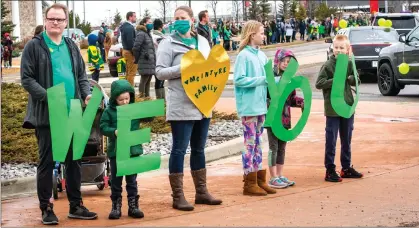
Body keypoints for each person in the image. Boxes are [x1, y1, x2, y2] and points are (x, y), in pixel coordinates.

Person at [20, 3, 97, 225]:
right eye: (52, 19)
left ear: (65, 23)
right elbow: (27, 79)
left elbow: (81, 75)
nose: (55, 22)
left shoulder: (71, 45)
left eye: (60, 19)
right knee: (47, 162)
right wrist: (49, 97)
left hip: (73, 111)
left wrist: (86, 94)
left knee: (74, 160)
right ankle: (46, 207)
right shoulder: (34, 47)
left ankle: (76, 205)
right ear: (45, 20)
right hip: (47, 113)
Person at [156, 5, 222, 212]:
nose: (178, 21)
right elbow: (160, 72)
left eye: (182, 17)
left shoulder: (202, 41)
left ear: (192, 20)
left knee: (199, 149)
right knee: (179, 149)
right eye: (175, 18)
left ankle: (201, 192)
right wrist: (183, 68)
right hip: (181, 104)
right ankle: (178, 196)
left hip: (203, 101)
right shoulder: (168, 43)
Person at [233, 20, 277, 196]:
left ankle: (259, 179)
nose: (264, 35)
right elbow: (239, 79)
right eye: (261, 32)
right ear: (252, 35)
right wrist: (261, 80)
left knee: (259, 144)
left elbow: (269, 78)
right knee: (250, 144)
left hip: (260, 106)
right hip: (249, 107)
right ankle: (248, 181)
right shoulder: (243, 56)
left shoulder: (261, 55)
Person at [315, 34, 363, 182]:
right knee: (331, 139)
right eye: (336, 47)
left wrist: (350, 78)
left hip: (347, 106)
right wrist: (334, 81)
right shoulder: (328, 65)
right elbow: (319, 83)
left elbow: (357, 81)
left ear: (348, 49)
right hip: (333, 108)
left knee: (346, 139)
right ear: (332, 48)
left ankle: (346, 168)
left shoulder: (349, 63)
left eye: (342, 48)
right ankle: (330, 169)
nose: (339, 50)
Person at [100, 79, 144, 220]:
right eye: (121, 100)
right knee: (116, 180)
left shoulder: (135, 109)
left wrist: (150, 111)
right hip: (117, 152)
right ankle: (116, 206)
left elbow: (149, 117)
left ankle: (133, 205)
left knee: (132, 180)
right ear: (114, 99)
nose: (125, 102)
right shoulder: (109, 111)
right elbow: (103, 126)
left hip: (132, 150)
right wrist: (114, 132)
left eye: (127, 98)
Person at [267, 49, 304, 189]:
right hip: (272, 118)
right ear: (278, 60)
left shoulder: (290, 80)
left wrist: (302, 103)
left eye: (289, 62)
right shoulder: (270, 77)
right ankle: (273, 177)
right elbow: (266, 96)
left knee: (282, 147)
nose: (286, 64)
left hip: (285, 118)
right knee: (273, 147)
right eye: (284, 61)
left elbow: (292, 99)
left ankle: (280, 174)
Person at [133, 17, 156, 98]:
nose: (151, 23)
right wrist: (138, 58)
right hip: (144, 60)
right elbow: (136, 47)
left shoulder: (147, 33)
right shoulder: (141, 33)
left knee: (148, 80)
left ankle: (147, 97)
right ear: (144, 23)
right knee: (144, 80)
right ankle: (141, 97)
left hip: (149, 60)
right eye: (149, 22)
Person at [120, 12, 137, 86]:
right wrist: (135, 53)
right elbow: (130, 41)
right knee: (132, 73)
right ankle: (130, 91)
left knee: (128, 72)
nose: (135, 18)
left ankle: (127, 89)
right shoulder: (129, 27)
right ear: (130, 17)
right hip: (130, 52)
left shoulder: (124, 26)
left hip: (125, 50)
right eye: (134, 16)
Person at [151, 19, 166, 100]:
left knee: (161, 80)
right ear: (161, 26)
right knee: (159, 80)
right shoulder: (157, 36)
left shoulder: (154, 34)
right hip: (158, 59)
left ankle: (162, 99)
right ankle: (160, 99)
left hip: (157, 59)